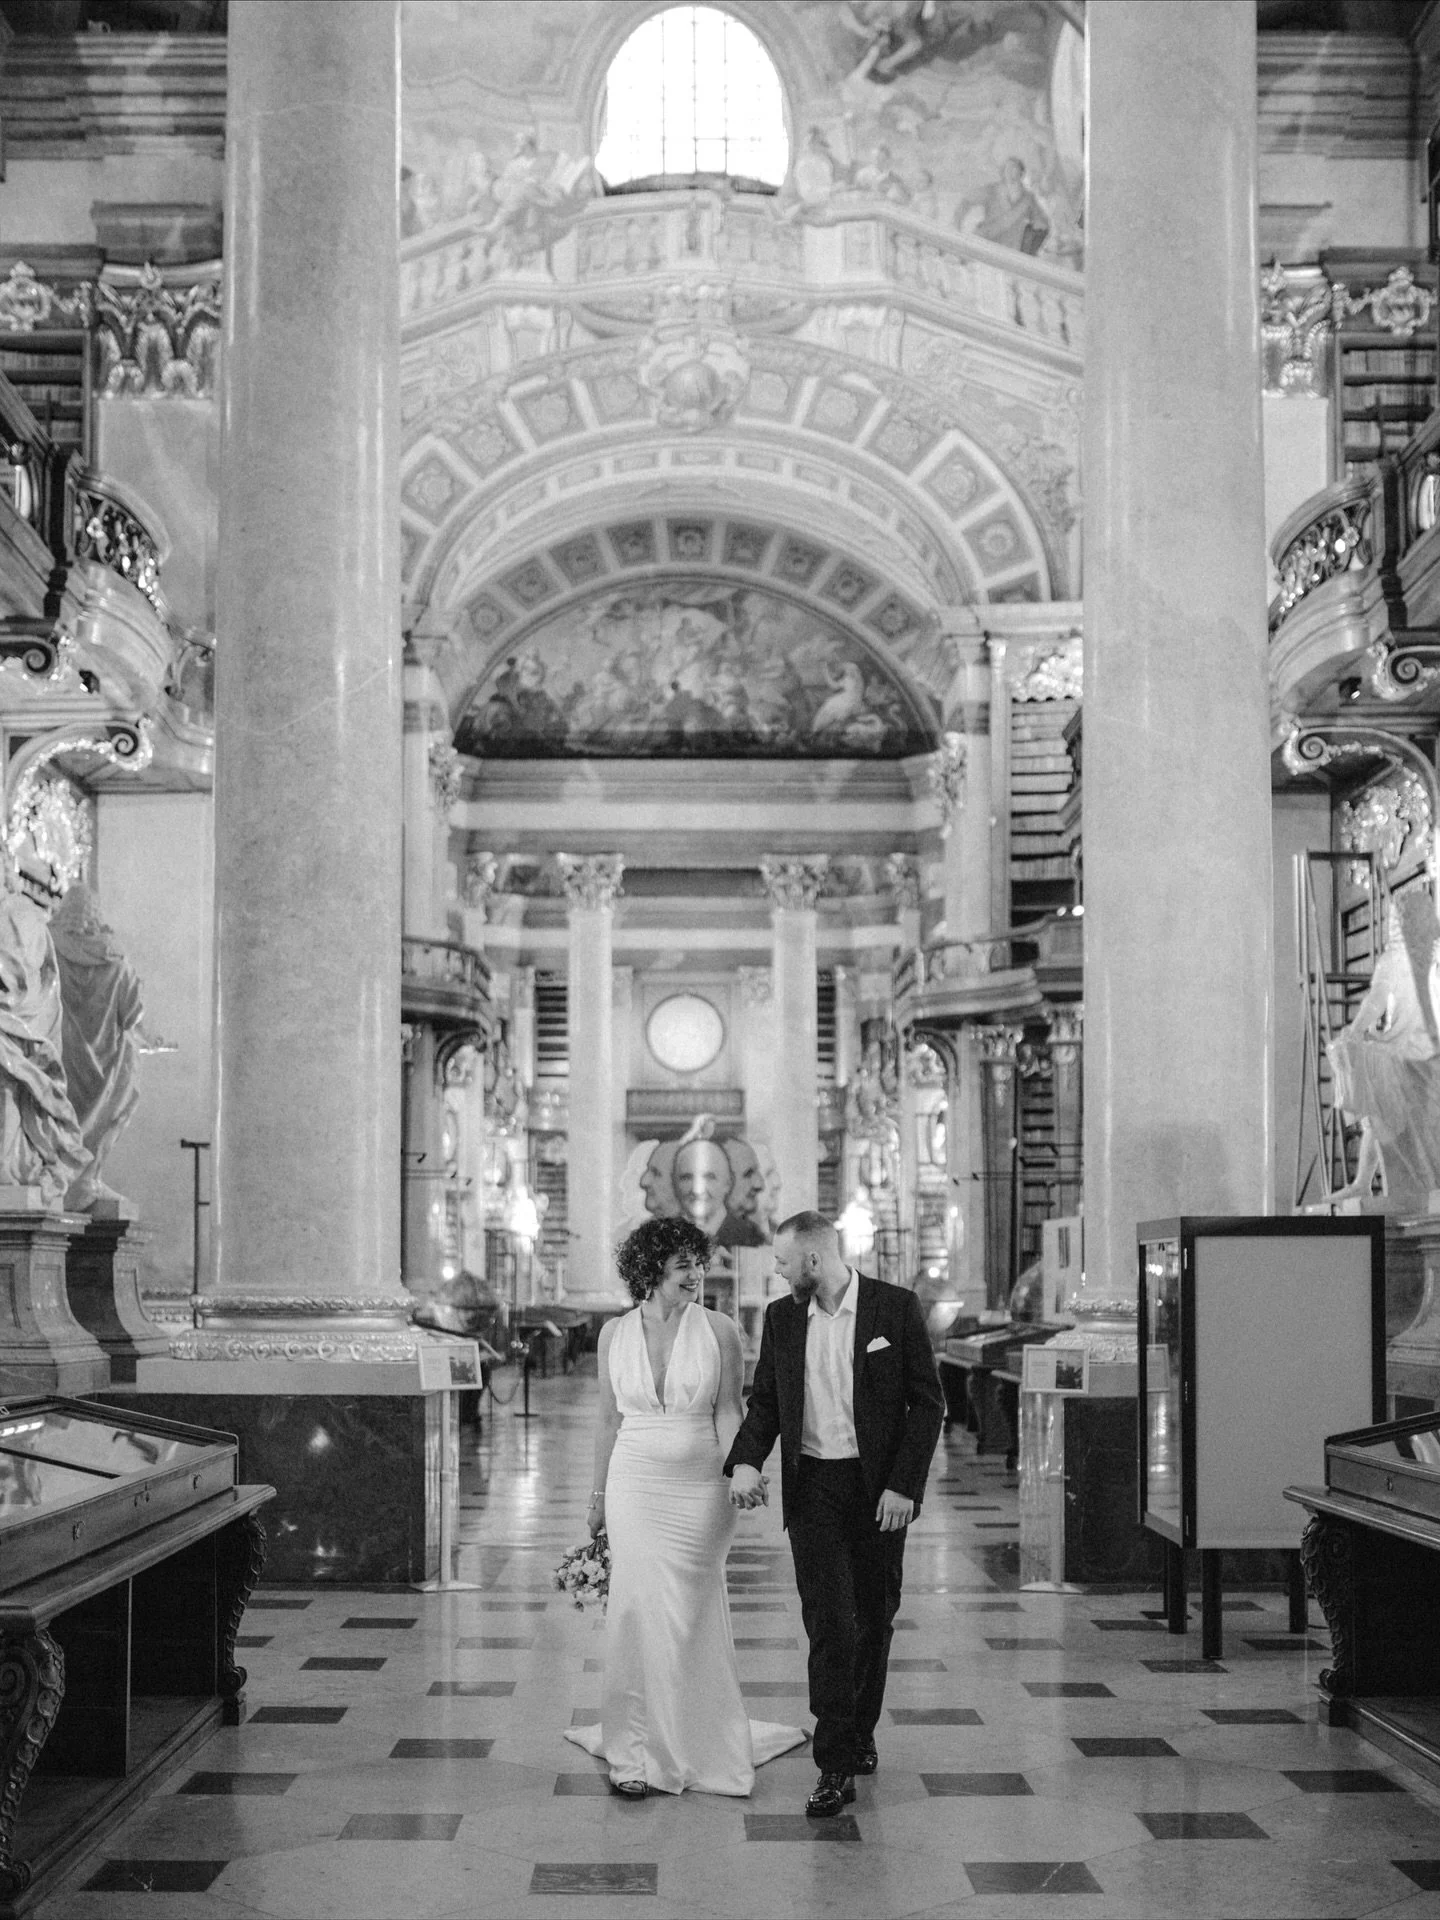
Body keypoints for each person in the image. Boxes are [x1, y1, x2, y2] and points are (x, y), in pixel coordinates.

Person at [564, 1217, 804, 1796]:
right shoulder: (613, 1335)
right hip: (633, 1483)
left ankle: (695, 1739)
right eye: (683, 1265)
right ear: (651, 1271)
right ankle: (633, 1750)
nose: (696, 1274)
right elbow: (607, 1420)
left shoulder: (721, 1330)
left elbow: (728, 1410)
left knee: (689, 1611)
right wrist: (597, 1497)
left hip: (701, 1489)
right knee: (636, 1610)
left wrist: (743, 1466)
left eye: (698, 1262)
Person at [725, 1211, 944, 1818]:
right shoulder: (782, 1318)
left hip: (878, 1491)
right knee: (829, 1624)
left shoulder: (893, 1309)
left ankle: (858, 1730)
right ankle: (833, 1763)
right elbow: (767, 1402)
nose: (777, 1270)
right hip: (814, 1488)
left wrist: (903, 1486)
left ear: (814, 1260)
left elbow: (927, 1404)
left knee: (874, 1618)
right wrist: (744, 1462)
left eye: (783, 1261)